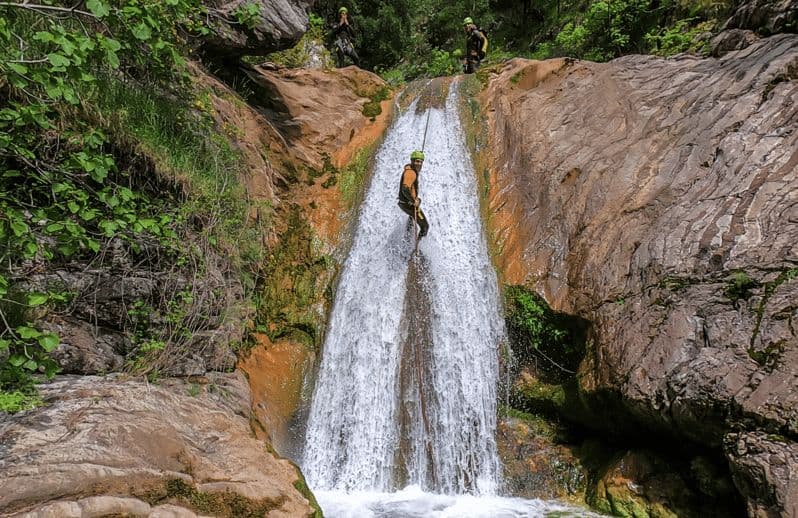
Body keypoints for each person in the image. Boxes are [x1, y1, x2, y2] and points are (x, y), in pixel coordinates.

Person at [398, 150, 429, 239]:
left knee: (412, 217)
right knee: (425, 226)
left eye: (421, 162)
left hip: (404, 203)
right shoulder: (411, 173)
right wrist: (413, 201)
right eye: (417, 161)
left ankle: (407, 239)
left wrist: (415, 199)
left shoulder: (410, 170)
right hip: (408, 205)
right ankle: (417, 244)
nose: (419, 164)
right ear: (412, 161)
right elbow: (405, 188)